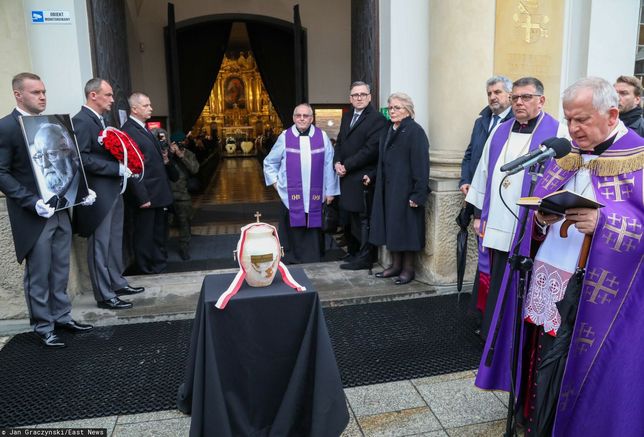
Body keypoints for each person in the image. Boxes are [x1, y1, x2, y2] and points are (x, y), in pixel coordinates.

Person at [477, 77, 644, 436]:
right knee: (541, 355)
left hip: (595, 292)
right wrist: (541, 217)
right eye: (569, 119)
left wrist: (604, 222)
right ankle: (536, 420)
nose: (573, 128)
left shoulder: (639, 157)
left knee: (571, 362)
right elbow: (539, 202)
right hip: (547, 274)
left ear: (612, 114)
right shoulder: (567, 154)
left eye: (582, 119)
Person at [465, 77, 567, 340]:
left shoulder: (557, 133)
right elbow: (483, 172)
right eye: (516, 98)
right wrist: (479, 215)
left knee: (522, 283)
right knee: (498, 279)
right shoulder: (500, 130)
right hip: (498, 220)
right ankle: (493, 334)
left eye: (526, 97)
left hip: (531, 225)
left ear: (541, 100)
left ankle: (517, 338)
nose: (519, 102)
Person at [0, 72, 94, 348]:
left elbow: (67, 159)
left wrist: (82, 190)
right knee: (39, 273)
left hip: (62, 209)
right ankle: (43, 325)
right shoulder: (6, 127)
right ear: (18, 94)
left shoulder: (50, 123)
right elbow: (1, 172)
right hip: (34, 214)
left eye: (43, 91)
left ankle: (62, 316)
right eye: (35, 92)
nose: (42, 96)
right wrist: (31, 202)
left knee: (61, 269)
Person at [73, 78, 144, 310]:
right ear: (93, 95)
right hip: (99, 194)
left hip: (114, 189)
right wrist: (116, 168)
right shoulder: (82, 121)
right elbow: (82, 158)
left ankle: (116, 281)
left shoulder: (101, 121)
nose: (113, 100)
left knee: (114, 241)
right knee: (100, 245)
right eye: (108, 95)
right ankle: (104, 295)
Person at [459, 76, 513, 324]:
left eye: (498, 92)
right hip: (478, 197)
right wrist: (466, 180)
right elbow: (471, 154)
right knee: (483, 258)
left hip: (502, 202)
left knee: (495, 260)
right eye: (490, 93)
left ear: (509, 95)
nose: (493, 97)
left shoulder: (516, 124)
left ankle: (493, 313)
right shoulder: (482, 121)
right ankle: (480, 308)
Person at [263, 103, 340, 263]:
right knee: (293, 228)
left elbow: (329, 165)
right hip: (290, 195)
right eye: (298, 115)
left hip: (316, 194)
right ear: (293, 118)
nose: (302, 119)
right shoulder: (285, 137)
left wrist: (330, 191)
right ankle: (291, 258)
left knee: (313, 228)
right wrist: (277, 185)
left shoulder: (322, 136)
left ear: (311, 118)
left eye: (306, 116)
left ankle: (314, 256)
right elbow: (270, 163)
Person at [369, 92, 429, 285]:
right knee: (393, 228)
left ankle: (408, 269)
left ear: (408, 110)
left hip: (406, 191)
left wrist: (418, 194)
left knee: (408, 230)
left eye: (397, 108)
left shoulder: (415, 131)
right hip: (390, 190)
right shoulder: (389, 129)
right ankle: (395, 266)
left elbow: (421, 165)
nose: (392, 111)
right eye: (390, 108)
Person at [122, 92, 178, 274]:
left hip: (157, 193)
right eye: (146, 105)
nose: (151, 108)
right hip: (147, 194)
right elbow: (132, 167)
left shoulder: (143, 128)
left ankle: (158, 263)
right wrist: (141, 196)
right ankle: (145, 267)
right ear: (135, 109)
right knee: (145, 234)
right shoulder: (129, 130)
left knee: (157, 232)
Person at [334, 81, 387, 270]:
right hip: (347, 176)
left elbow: (370, 150)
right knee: (350, 218)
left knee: (364, 219)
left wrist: (346, 165)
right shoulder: (347, 116)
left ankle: (366, 258)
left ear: (370, 97)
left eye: (363, 94)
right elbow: (340, 141)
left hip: (363, 177)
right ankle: (354, 252)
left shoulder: (377, 119)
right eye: (355, 95)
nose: (359, 98)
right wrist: (337, 162)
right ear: (350, 98)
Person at [32, 122, 85, 209]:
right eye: (40, 156)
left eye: (51, 154)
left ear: (71, 152)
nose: (45, 165)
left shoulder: (88, 193)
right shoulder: (49, 205)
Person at [166, 131, 200, 261]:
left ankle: (184, 247)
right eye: (178, 143)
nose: (181, 144)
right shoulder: (166, 154)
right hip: (167, 193)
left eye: (183, 142)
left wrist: (181, 156)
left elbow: (195, 169)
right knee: (165, 223)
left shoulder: (189, 154)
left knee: (184, 221)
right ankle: (162, 247)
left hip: (182, 194)